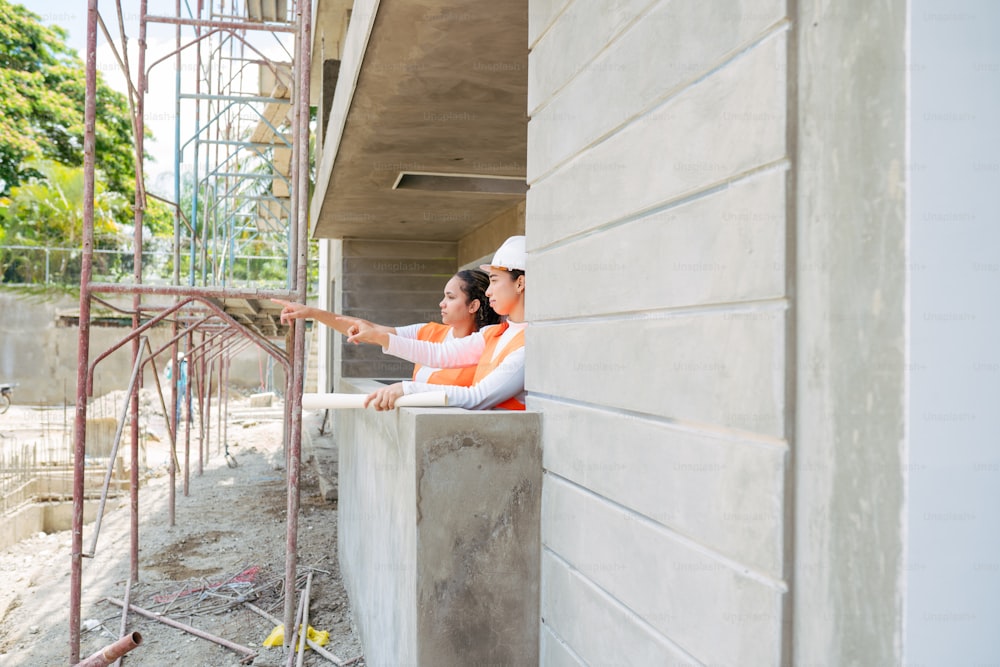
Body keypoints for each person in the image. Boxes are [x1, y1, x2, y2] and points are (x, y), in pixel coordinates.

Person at [348, 235, 527, 411]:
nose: (488, 292)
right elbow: (440, 354)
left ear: (520, 283)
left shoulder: (527, 344)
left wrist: (407, 388)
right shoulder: (495, 333)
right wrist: (379, 337)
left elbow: (477, 397)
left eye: (494, 280)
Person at [273, 269, 499, 387]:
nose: (441, 303)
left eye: (450, 297)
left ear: (473, 305)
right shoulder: (430, 332)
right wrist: (311, 312)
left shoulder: (487, 347)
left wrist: (380, 337)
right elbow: (367, 329)